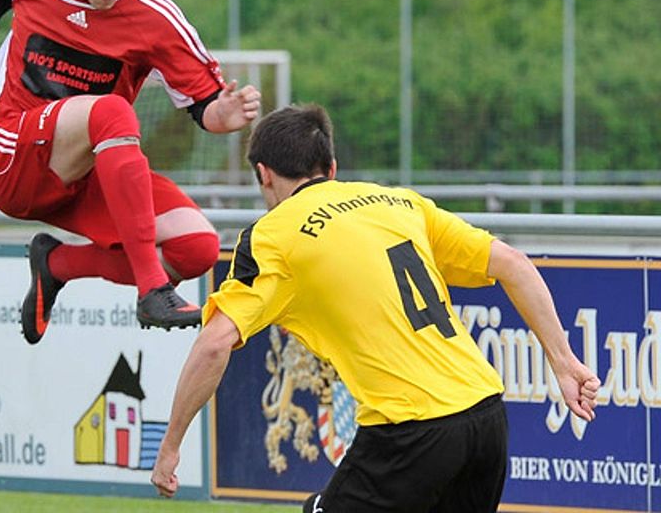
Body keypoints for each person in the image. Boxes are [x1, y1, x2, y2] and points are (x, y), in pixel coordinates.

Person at [151, 104, 600, 512]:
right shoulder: (399, 202)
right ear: (331, 167)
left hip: (410, 430)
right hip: (485, 418)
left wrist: (171, 445)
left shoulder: (272, 236)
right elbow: (514, 264)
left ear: (264, 174)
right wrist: (564, 363)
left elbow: (214, 343)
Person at [0, 0, 260, 343]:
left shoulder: (156, 17)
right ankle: (151, 288)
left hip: (83, 174)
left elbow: (204, 107)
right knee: (112, 111)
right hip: (10, 158)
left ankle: (55, 264)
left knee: (196, 248)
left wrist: (224, 115)